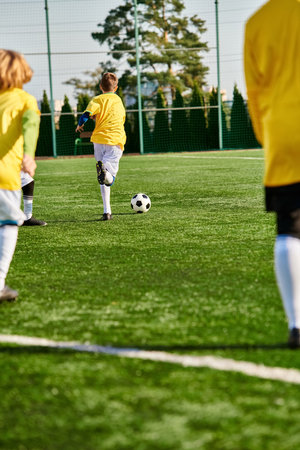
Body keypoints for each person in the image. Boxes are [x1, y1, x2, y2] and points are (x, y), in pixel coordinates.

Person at [244, 0, 300, 348]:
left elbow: (255, 93)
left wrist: (270, 137)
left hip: (284, 131)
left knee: (290, 227)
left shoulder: (258, 21)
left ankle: (297, 325)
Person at [0, 49, 40, 302]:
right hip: (4, 176)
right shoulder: (25, 100)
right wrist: (29, 154)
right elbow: (31, 125)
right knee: (10, 223)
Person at [75, 72, 126, 221]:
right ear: (115, 87)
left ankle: (107, 211)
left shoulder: (97, 99)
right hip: (115, 140)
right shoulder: (118, 101)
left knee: (102, 178)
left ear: (100, 87)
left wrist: (80, 125)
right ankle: (105, 173)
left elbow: (86, 115)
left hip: (98, 140)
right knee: (110, 178)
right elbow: (119, 118)